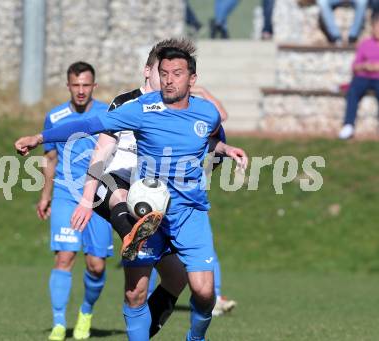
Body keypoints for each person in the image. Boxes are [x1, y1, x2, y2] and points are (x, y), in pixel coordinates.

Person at [15, 46, 248, 340]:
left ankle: (196, 337)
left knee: (202, 292)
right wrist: (40, 137)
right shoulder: (141, 109)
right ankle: (130, 232)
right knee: (135, 292)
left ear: (192, 78)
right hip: (148, 209)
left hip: (189, 210)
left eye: (176, 74)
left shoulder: (207, 112)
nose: (168, 80)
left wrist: (227, 150)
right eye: (163, 74)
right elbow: (89, 126)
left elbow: (211, 140)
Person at [38, 61, 113, 341]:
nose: (81, 91)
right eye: (75, 85)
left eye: (86, 85)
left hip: (99, 198)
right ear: (68, 85)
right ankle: (58, 324)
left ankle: (86, 312)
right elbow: (50, 159)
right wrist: (45, 196)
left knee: (96, 265)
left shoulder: (108, 114)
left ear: (94, 86)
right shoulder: (55, 117)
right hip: (66, 196)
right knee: (65, 257)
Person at [339, 12, 379, 139]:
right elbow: (355, 65)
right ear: (372, 27)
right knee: (353, 91)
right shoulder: (365, 44)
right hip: (363, 76)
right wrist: (364, 66)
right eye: (377, 26)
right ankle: (348, 125)